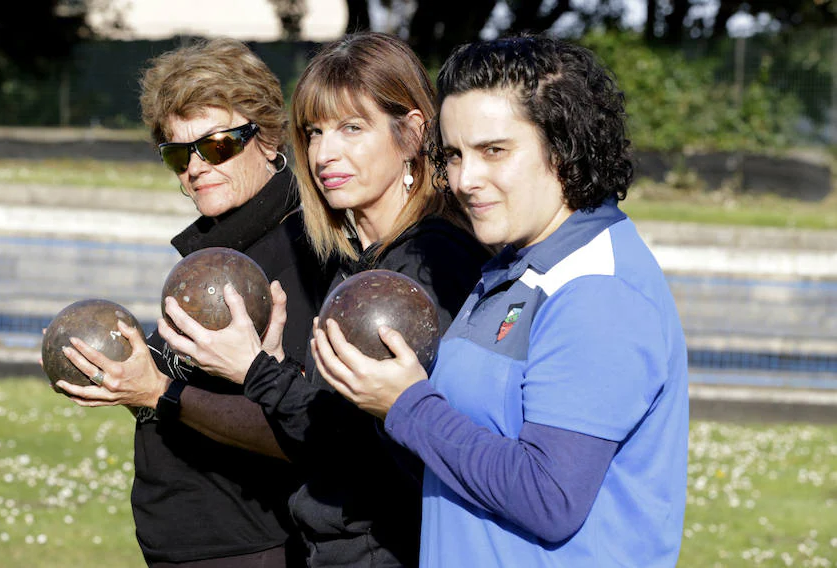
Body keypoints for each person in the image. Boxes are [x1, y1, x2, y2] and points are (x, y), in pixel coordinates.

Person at [312, 33, 690, 567]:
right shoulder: (514, 263)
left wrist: (406, 405)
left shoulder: (598, 291)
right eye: (454, 155)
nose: (466, 180)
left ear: (564, 146)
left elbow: (549, 497)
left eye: (494, 151)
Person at [157, 32, 491, 567]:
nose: (324, 153)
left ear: (412, 133)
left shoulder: (428, 262)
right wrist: (274, 368)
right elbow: (332, 422)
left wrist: (256, 372)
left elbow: (371, 449)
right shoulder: (358, 263)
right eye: (313, 132)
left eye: (351, 128)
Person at [53, 38, 332, 567]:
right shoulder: (218, 248)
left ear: (268, 138)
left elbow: (303, 430)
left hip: (251, 548)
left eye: (217, 145)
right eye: (179, 153)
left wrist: (158, 392)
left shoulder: (299, 250)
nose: (196, 167)